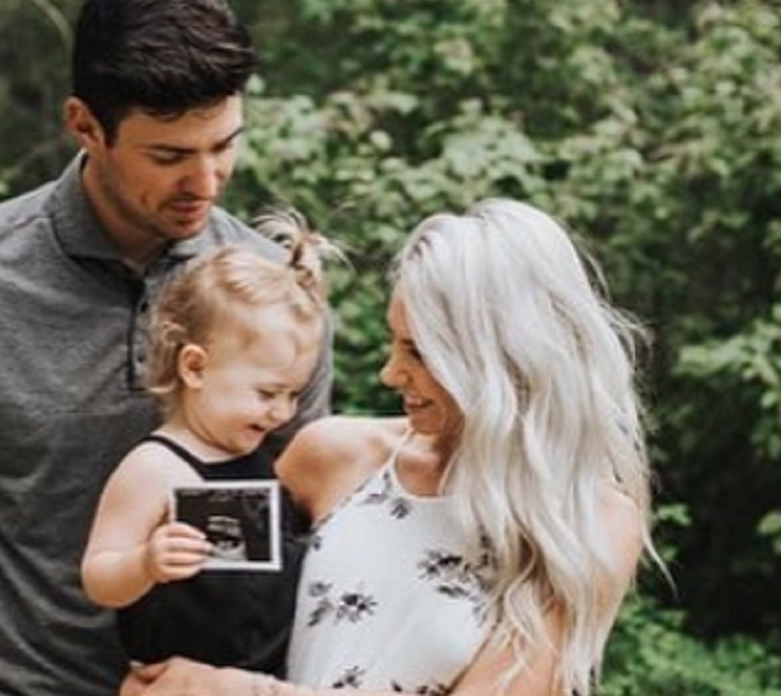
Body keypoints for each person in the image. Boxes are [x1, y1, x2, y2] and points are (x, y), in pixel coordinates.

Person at [0, 0, 332, 696]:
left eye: (224, 145)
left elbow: (305, 515)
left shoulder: (274, 296)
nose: (207, 181)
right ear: (84, 125)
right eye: (169, 155)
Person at [125, 198, 658, 696]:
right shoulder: (328, 456)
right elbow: (205, 606)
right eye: (393, 340)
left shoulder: (591, 519)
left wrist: (233, 691)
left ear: (501, 359)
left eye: (418, 352)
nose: (389, 372)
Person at [82, 214, 334, 677]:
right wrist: (145, 563)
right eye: (267, 393)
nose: (282, 413)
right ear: (195, 368)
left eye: (293, 395)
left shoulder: (265, 462)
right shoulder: (154, 468)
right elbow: (98, 575)